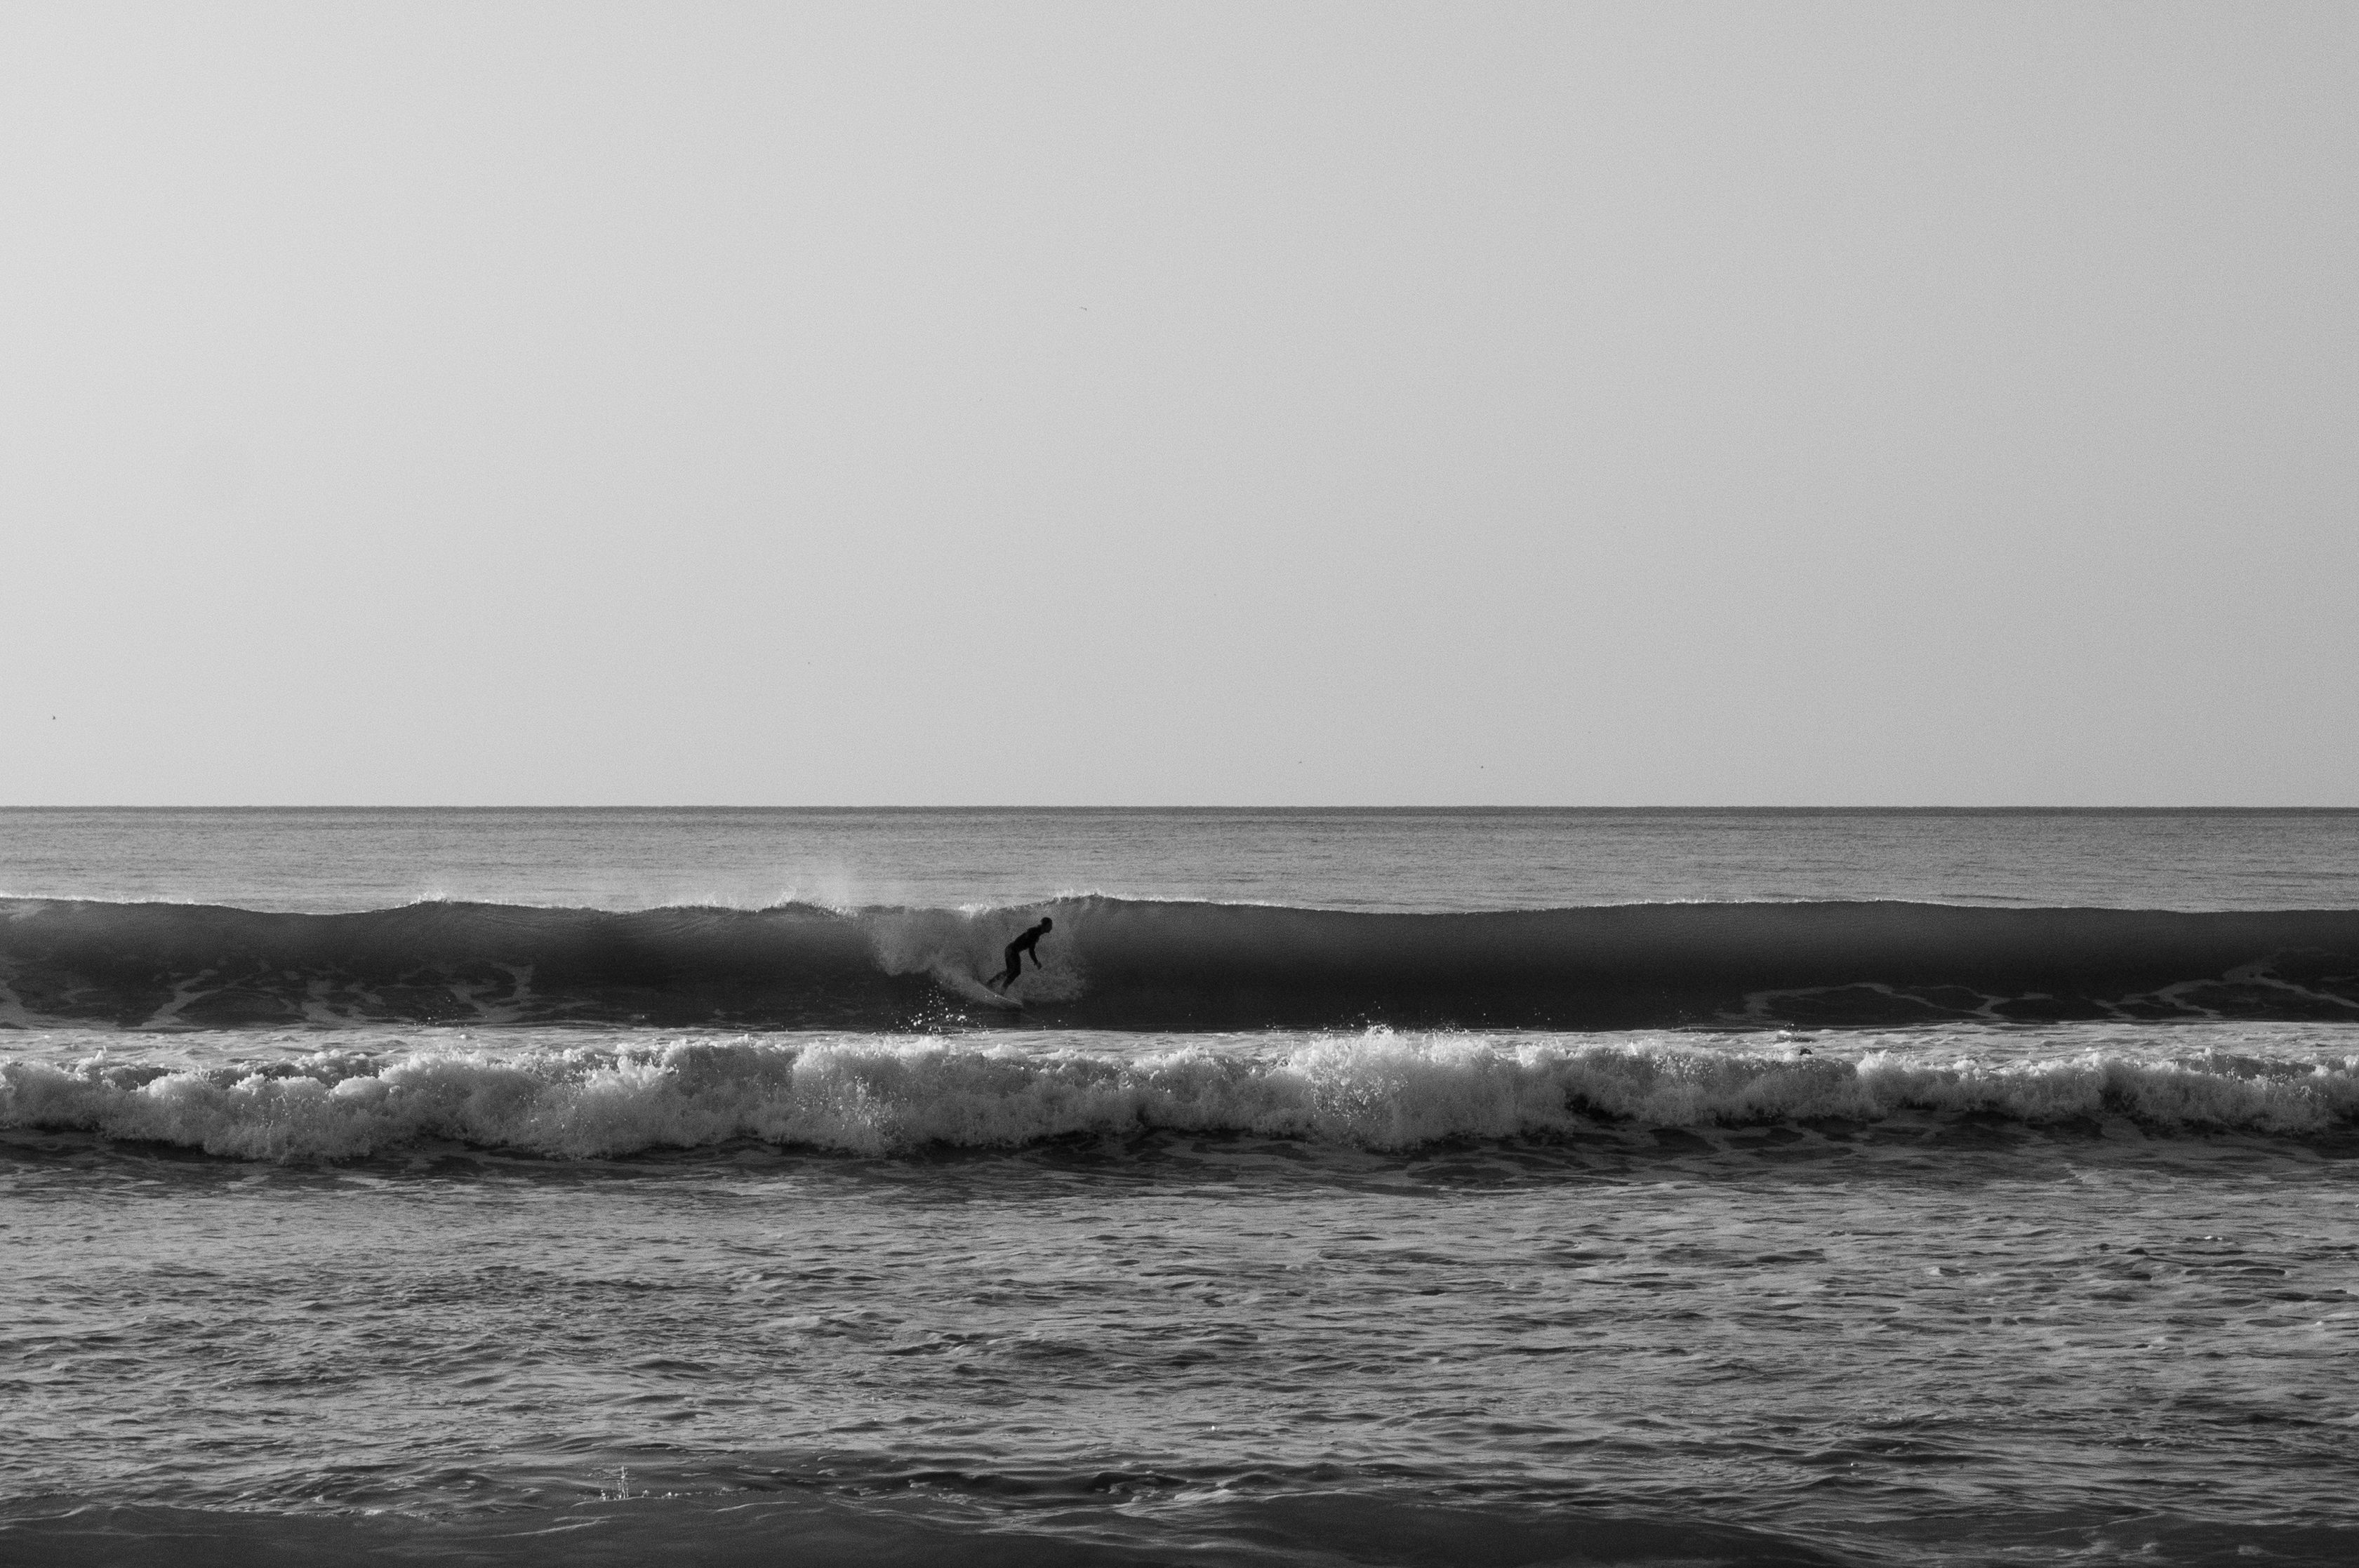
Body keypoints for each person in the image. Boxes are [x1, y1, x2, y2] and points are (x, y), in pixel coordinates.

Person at [989, 917, 1054, 990]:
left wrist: (1036, 961)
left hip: (1010, 949)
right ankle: (1002, 988)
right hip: (1012, 951)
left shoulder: (1037, 932)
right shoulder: (1035, 932)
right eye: (1050, 925)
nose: (1051, 927)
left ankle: (991, 983)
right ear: (1045, 926)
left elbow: (1030, 948)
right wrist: (1036, 962)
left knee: (1010, 970)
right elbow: (1030, 950)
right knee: (1016, 971)